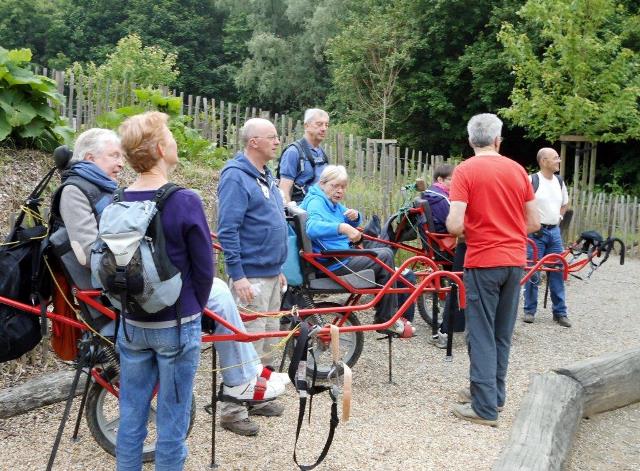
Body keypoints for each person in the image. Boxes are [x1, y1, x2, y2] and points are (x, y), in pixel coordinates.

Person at [114, 111, 214, 470]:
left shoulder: (117, 199)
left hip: (131, 323)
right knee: (172, 419)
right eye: (170, 136)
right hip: (176, 322)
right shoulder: (184, 200)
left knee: (131, 414)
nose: (173, 142)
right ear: (160, 148)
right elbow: (204, 269)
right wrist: (194, 309)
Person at [446, 113, 540, 427]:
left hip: (483, 260)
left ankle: (484, 408)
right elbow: (534, 223)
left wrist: (476, 229)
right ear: (498, 139)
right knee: (501, 333)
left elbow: (455, 224)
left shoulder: (465, 170)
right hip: (515, 260)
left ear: (471, 140)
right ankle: (493, 396)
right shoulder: (518, 171)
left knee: (481, 333)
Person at [216, 117, 289, 430]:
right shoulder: (236, 177)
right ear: (253, 142)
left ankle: (257, 397)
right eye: (270, 137)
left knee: (267, 338)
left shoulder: (265, 175)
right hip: (251, 276)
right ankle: (232, 411)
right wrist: (239, 273)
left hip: (271, 273)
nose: (277, 141)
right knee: (244, 342)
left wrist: (279, 268)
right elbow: (228, 228)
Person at [300, 165, 415, 337]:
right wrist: (344, 227)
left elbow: (343, 218)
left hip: (336, 257)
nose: (339, 191)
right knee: (385, 255)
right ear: (322, 183)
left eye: (343, 187)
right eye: (335, 186)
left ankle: (388, 312)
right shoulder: (317, 203)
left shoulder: (328, 201)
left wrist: (355, 217)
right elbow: (312, 227)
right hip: (332, 262)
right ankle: (386, 318)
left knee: (383, 255)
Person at [49, 128, 124, 336]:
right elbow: (88, 253)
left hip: (122, 282)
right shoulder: (74, 191)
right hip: (110, 290)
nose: (121, 163)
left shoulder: (105, 187)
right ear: (90, 158)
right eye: (114, 155)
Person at [523, 148, 571, 327]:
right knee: (532, 271)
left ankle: (560, 312)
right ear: (543, 161)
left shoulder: (559, 181)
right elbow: (522, 205)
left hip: (554, 233)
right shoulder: (531, 181)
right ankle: (529, 310)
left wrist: (558, 218)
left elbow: (565, 203)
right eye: (555, 158)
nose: (558, 161)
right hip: (536, 233)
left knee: (558, 270)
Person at [278, 108, 330, 204]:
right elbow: (284, 190)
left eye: (326, 125)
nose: (324, 128)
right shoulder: (293, 152)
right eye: (319, 124)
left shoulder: (322, 153)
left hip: (322, 209)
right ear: (306, 126)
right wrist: (293, 216)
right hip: (303, 210)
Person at [422, 164, 454, 233]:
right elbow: (453, 223)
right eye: (451, 179)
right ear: (440, 180)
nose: (455, 182)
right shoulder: (439, 198)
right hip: (445, 236)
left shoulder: (431, 191)